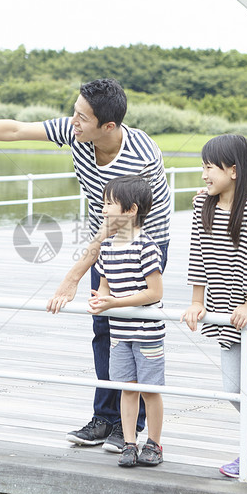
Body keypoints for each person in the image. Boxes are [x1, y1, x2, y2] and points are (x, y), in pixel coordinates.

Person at [0, 79, 171, 452]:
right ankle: (105, 417)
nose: (73, 121)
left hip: (143, 239)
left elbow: (119, 228)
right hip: (104, 237)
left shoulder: (141, 156)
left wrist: (71, 278)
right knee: (102, 327)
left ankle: (131, 427)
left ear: (108, 126)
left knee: (132, 327)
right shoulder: (77, 130)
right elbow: (12, 128)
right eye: (74, 112)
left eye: (82, 117)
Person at [181, 134, 247, 479]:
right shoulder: (203, 205)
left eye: (209, 168)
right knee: (231, 388)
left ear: (232, 170)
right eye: (203, 167)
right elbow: (197, 252)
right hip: (222, 305)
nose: (204, 175)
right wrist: (197, 300)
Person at [87, 175, 165, 467]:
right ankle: (130, 443)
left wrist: (115, 303)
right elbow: (105, 285)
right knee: (127, 388)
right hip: (120, 332)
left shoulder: (146, 245)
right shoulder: (106, 248)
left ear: (131, 210)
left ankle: (155, 443)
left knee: (150, 390)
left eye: (110, 203)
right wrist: (99, 300)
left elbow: (154, 292)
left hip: (147, 333)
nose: (104, 209)